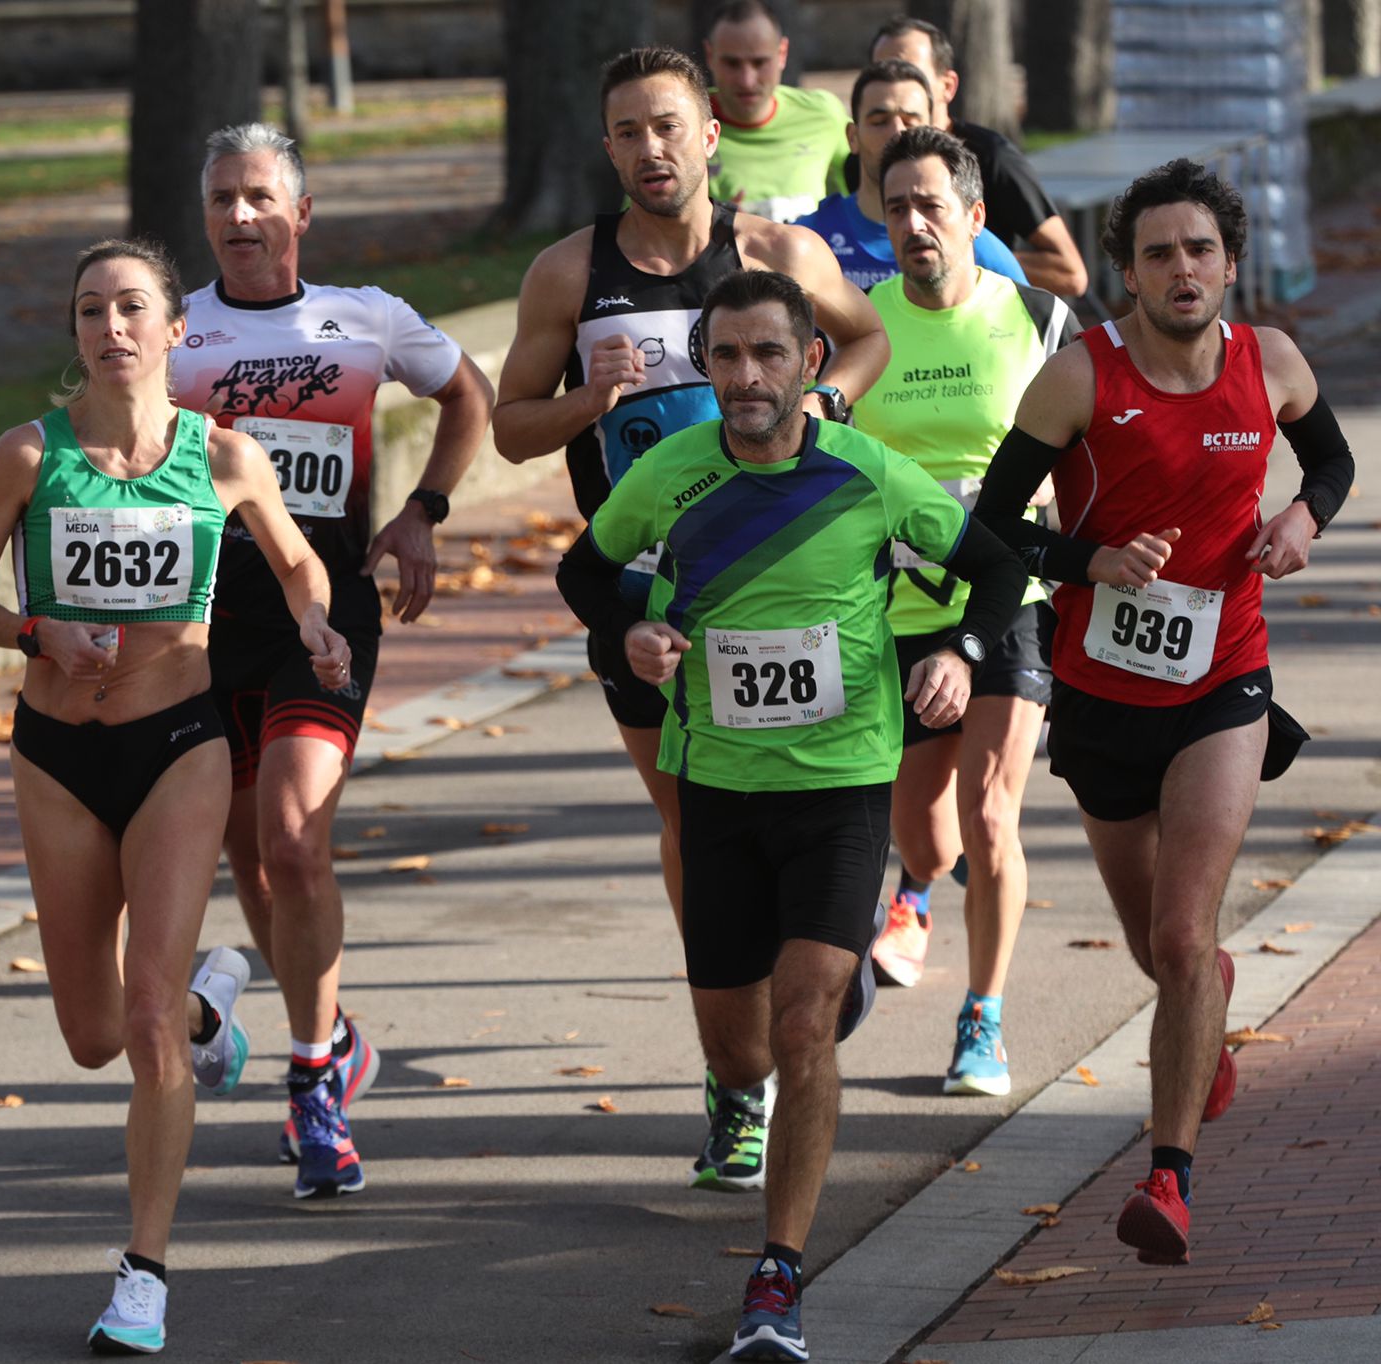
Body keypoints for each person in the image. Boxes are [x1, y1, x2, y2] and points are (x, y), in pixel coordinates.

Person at [556, 269, 1025, 1363]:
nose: (746, 377)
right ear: (705, 366)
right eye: (724, 356)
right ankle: (800, 1017)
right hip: (714, 785)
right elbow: (584, 577)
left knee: (803, 1025)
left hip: (839, 780)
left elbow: (994, 566)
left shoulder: (867, 474)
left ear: (811, 362)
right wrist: (626, 633)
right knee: (740, 1049)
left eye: (768, 354)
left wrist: (956, 651)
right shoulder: (666, 473)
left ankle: (777, 1278)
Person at [493, 43, 889, 1198]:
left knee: (800, 799)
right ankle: (739, 1073)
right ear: (606, 146)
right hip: (642, 599)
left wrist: (819, 401)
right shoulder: (569, 274)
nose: (649, 150)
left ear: (709, 132)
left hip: (777, 583)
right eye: (626, 132)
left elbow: (860, 339)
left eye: (667, 126)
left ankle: (811, 959)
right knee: (692, 822)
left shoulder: (774, 253)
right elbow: (513, 431)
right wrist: (587, 398)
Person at [0, 237, 350, 1352]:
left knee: (141, 1022)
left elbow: (296, 560)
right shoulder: (27, 456)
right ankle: (211, 1002)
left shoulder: (223, 457)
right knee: (89, 1034)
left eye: (131, 307)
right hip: (57, 758)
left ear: (177, 330)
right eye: (89, 309)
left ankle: (144, 1274)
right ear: (72, 331)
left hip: (178, 742)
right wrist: (36, 629)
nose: (110, 327)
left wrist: (314, 620)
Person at [975, 160, 1353, 1266]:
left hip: (1222, 678)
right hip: (1098, 695)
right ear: (1125, 272)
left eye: (1197, 249)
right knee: (1162, 950)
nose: (1180, 269)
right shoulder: (1076, 379)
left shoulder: (1267, 362)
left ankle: (1166, 1179)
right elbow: (993, 526)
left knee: (1186, 932)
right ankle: (1202, 1008)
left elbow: (1327, 459)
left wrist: (1299, 521)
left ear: (1227, 264)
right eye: (1156, 252)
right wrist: (1089, 557)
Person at [170, 122, 493, 1199]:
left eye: (260, 196)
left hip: (325, 610)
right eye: (222, 199)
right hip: (207, 624)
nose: (240, 217)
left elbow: (468, 395)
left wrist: (421, 513)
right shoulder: (172, 334)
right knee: (255, 858)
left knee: (296, 838)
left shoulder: (365, 320)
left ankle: (313, 1079)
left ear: (300, 213)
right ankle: (337, 1030)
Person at [849, 127, 1077, 1095]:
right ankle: (915, 889)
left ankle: (980, 1016)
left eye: (930, 205)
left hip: (1013, 593)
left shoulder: (1035, 315)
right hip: (899, 606)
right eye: (895, 206)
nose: (912, 223)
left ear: (973, 216)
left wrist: (1076, 574)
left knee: (989, 812)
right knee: (924, 835)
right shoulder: (858, 327)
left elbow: (1080, 461)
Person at [867, 16, 1090, 300]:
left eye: (909, 73)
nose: (893, 84)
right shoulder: (863, 164)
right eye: (881, 72)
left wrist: (961, 255)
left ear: (947, 86)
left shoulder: (992, 156)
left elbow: (1070, 273)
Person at [790, 60, 1028, 290]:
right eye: (879, 121)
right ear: (853, 137)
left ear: (935, 131)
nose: (897, 133)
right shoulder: (811, 238)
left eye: (910, 121)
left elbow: (1026, 321)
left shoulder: (973, 243)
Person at [703, 0, 850, 222]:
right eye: (732, 64)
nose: (747, 80)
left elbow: (870, 195)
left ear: (782, 53)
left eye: (760, 62)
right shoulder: (682, 124)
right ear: (709, 56)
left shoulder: (824, 115)